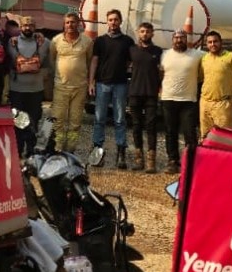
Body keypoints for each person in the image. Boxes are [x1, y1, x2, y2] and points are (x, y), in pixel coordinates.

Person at [88, 9, 134, 169]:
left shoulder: (128, 41)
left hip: (120, 85)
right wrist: (91, 82)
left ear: (120, 21)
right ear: (106, 22)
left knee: (120, 119)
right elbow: (94, 61)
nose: (113, 22)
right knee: (99, 119)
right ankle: (97, 151)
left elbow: (129, 62)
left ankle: (121, 153)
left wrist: (119, 70)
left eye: (116, 19)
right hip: (102, 84)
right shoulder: (100, 41)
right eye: (110, 20)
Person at [159, 25, 203, 172]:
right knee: (170, 132)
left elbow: (214, 56)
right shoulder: (165, 55)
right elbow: (160, 73)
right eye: (176, 38)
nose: (179, 40)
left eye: (182, 37)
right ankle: (173, 161)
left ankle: (191, 161)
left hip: (188, 100)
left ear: (186, 39)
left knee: (189, 132)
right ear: (173, 40)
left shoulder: (196, 55)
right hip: (168, 98)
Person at [50, 12, 93, 153]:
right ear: (64, 24)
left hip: (79, 88)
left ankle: (70, 150)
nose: (70, 25)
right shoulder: (56, 41)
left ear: (78, 23)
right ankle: (58, 148)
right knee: (58, 121)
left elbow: (89, 61)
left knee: (75, 122)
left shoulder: (87, 42)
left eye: (73, 22)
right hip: (60, 87)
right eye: (67, 22)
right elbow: (52, 60)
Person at [127, 21, 163, 173]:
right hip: (135, 92)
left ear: (152, 33)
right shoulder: (131, 50)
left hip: (151, 94)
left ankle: (151, 161)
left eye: (148, 32)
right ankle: (138, 158)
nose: (145, 34)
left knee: (151, 126)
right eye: (142, 31)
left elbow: (162, 71)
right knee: (136, 126)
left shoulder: (158, 51)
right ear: (138, 32)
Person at [7, 15, 50, 141]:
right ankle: (19, 151)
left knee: (34, 121)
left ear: (35, 27)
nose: (28, 27)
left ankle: (31, 151)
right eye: (25, 25)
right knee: (18, 122)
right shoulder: (12, 42)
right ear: (20, 27)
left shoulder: (44, 42)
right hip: (17, 90)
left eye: (31, 25)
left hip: (36, 91)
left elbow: (49, 63)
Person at [199, 29, 232, 138]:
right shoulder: (204, 59)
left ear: (221, 42)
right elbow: (200, 78)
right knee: (205, 137)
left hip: (223, 104)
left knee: (223, 138)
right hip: (205, 103)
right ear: (206, 44)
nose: (213, 44)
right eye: (210, 42)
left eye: (215, 41)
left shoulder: (231, 57)